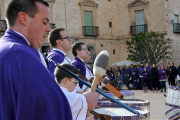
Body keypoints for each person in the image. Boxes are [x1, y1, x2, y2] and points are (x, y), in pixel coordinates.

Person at [0, 0, 73, 120]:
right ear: (24, 18)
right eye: (44, 22)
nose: (49, 29)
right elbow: (49, 105)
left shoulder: (5, 48)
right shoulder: (22, 55)